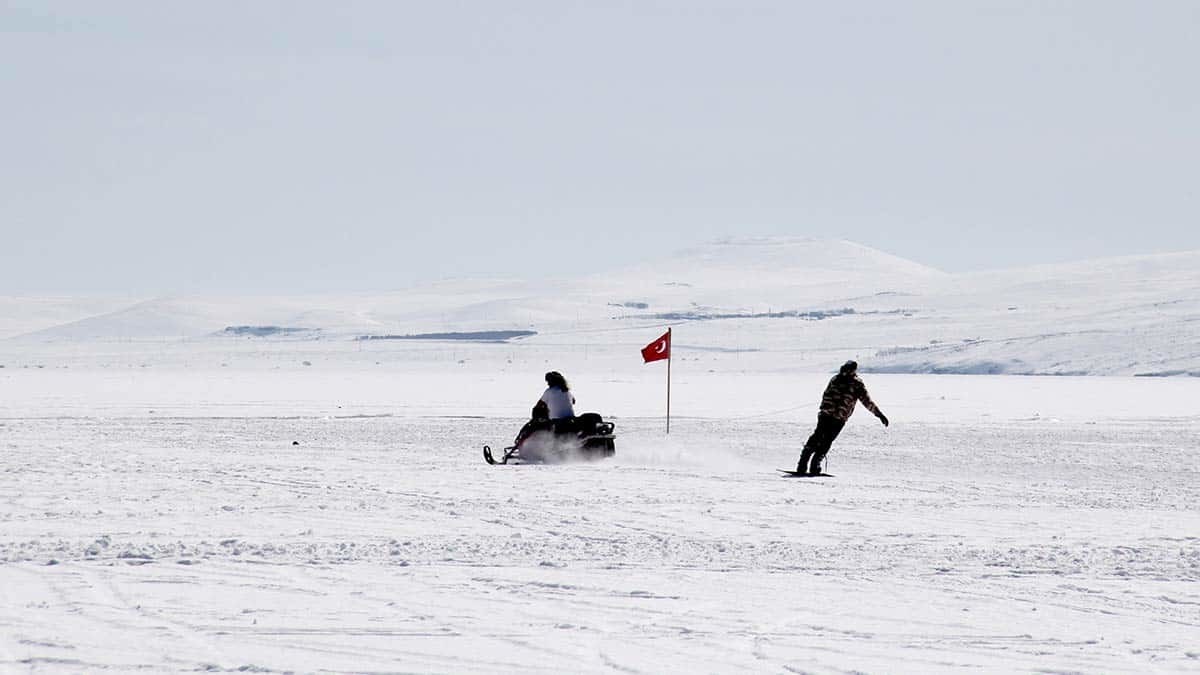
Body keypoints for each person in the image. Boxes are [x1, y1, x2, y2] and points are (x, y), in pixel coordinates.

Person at [796, 360, 888, 475]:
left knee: (818, 436)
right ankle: (814, 465)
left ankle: (803, 463)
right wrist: (879, 414)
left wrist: (824, 408)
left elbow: (826, 394)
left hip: (826, 414)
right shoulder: (856, 383)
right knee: (826, 440)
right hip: (838, 417)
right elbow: (866, 401)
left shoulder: (835, 379)